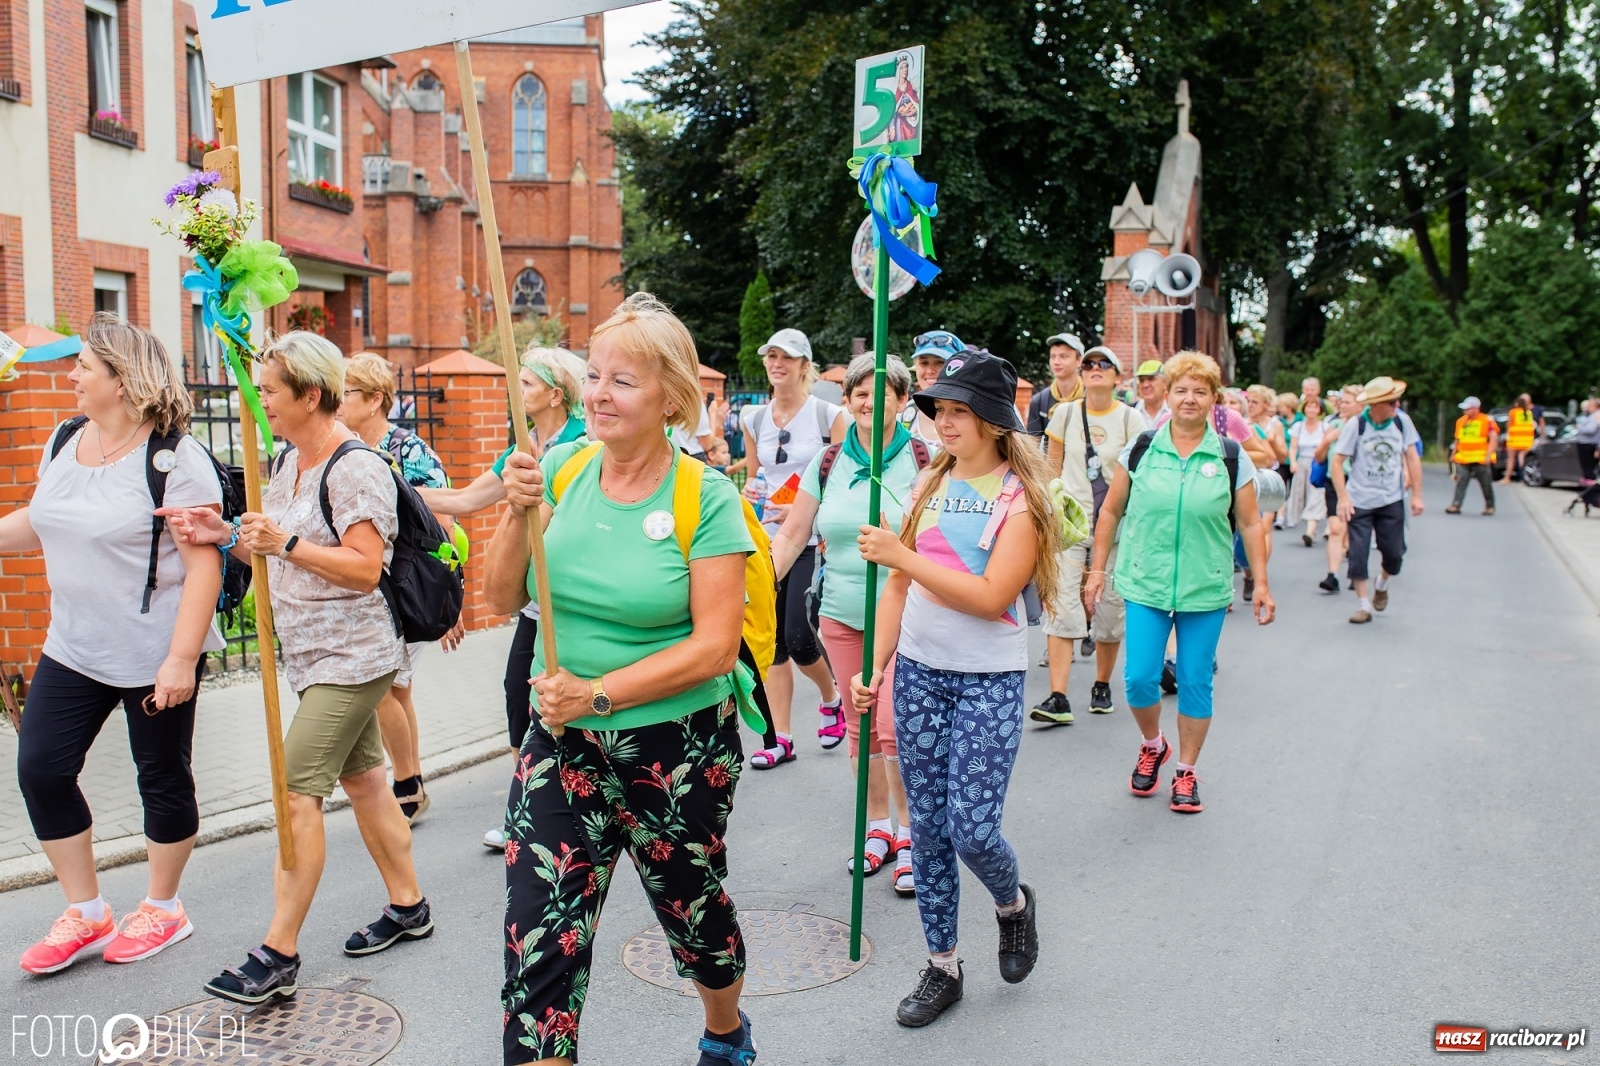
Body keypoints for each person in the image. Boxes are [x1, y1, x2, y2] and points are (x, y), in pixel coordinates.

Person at [485, 293, 758, 1066]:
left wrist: (598, 693)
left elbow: (715, 648)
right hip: (562, 743)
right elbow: (501, 597)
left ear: (670, 399)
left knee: (695, 920)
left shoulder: (705, 496)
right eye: (595, 375)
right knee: (538, 950)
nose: (597, 394)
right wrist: (513, 511)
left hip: (677, 749)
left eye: (622, 381)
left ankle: (725, 1029)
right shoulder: (562, 469)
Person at [162, 332, 433, 1005]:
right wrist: (225, 533)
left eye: (270, 392)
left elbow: (364, 568)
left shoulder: (355, 466)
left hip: (355, 657)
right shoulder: (288, 461)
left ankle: (278, 951)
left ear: (311, 395)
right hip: (313, 657)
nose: (261, 404)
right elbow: (273, 543)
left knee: (296, 794)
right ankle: (409, 905)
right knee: (366, 782)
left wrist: (281, 541)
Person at [0, 316, 223, 973]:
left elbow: (204, 567)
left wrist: (181, 659)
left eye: (84, 367)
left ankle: (163, 907)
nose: (71, 375)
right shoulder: (66, 438)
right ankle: (87, 911)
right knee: (41, 769)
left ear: (121, 381)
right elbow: (45, 521)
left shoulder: (175, 460)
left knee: (161, 776)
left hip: (153, 652)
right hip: (73, 646)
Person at [852, 348, 1057, 1027]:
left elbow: (992, 596)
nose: (944, 421)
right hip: (918, 674)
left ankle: (1013, 905)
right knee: (930, 831)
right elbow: (896, 589)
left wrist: (901, 555)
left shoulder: (1020, 501)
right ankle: (943, 966)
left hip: (987, 681)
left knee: (972, 830)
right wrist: (874, 666)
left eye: (959, 410)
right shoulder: (926, 484)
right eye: (938, 408)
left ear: (994, 421)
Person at [1085, 351, 1275, 816]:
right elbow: (1110, 511)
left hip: (1204, 587)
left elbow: (1251, 523)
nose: (1190, 399)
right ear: (1168, 395)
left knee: (1194, 680)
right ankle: (1153, 744)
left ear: (1214, 399)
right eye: (1182, 390)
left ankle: (1186, 771)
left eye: (1200, 391)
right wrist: (1097, 570)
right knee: (1139, 679)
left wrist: (1261, 584)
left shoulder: (1230, 456)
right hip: (1145, 581)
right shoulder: (1142, 449)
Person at [416, 347, 587, 850]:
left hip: (571, 601)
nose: (518, 390)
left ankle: (578, 807)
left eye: (528, 383)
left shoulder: (583, 443)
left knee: (567, 705)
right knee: (519, 696)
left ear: (556, 394)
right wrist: (395, 488)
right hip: (533, 603)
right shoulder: (523, 447)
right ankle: (528, 810)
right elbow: (467, 499)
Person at [771, 353, 924, 896]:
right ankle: (877, 827)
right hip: (840, 614)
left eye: (882, 393)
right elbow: (794, 533)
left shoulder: (926, 459)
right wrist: (760, 583)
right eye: (860, 393)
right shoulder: (828, 461)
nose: (870, 402)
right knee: (862, 729)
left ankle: (912, 836)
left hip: (905, 620)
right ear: (848, 400)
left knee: (894, 725)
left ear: (902, 401)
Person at [338, 352, 457, 826]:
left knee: (385, 685)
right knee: (398, 689)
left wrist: (449, 601)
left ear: (373, 400)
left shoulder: (409, 450)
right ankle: (412, 782)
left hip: (406, 587)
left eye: (346, 393)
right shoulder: (345, 447)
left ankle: (406, 784)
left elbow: (443, 523)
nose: (337, 401)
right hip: (368, 587)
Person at [740, 328, 847, 768]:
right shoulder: (753, 419)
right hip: (767, 540)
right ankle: (779, 737)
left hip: (811, 538)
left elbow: (841, 484)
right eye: (771, 356)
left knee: (800, 637)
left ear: (805, 365)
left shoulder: (828, 415)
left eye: (786, 357)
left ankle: (831, 696)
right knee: (772, 643)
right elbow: (755, 478)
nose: (776, 364)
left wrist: (803, 511)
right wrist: (750, 495)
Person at [1034, 346, 1148, 723]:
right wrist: (1047, 512)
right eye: (1089, 364)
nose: (1095, 369)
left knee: (1110, 608)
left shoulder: (1131, 418)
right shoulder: (1065, 413)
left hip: (1114, 527)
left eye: (1104, 364)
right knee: (1062, 603)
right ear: (1082, 375)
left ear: (1117, 376)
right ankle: (1058, 696)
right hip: (1070, 523)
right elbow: (1051, 468)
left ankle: (1101, 684)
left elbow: (1139, 473)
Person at [1331, 376, 1424, 624]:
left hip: (1391, 499)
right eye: (1391, 402)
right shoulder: (1357, 425)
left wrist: (1417, 495)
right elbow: (1337, 461)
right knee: (1358, 554)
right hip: (1360, 499)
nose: (1396, 406)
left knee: (1394, 555)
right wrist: (1343, 498)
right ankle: (1363, 605)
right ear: (1375, 405)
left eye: (1396, 401)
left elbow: (1413, 457)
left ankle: (1382, 583)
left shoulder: (1402, 422)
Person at [1314, 386, 1364, 592]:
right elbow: (1319, 458)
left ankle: (1356, 569)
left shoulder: (1364, 428)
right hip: (1334, 481)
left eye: (1347, 402)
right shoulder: (1333, 425)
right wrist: (1327, 440)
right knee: (1336, 529)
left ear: (1361, 405)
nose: (1342, 405)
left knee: (1355, 529)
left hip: (1358, 483)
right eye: (1341, 401)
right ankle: (1332, 575)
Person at [901, 330, 965, 449]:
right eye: (924, 363)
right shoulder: (904, 413)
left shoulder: (974, 414)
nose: (930, 371)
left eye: (940, 362)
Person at [1284, 397, 1330, 545]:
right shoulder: (1298, 427)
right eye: (1309, 407)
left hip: (1318, 463)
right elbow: (1293, 447)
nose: (1311, 410)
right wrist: (1293, 462)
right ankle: (1308, 526)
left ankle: (1310, 531)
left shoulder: (1325, 427)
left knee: (1316, 495)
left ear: (1320, 410)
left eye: (1315, 407)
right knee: (1299, 494)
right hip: (1302, 461)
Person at [1025, 332, 1085, 437]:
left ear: (1079, 360)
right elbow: (1033, 443)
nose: (1056, 362)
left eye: (1064, 356)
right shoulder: (1040, 401)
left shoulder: (1090, 396)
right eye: (1053, 356)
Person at [1446, 396, 1498, 516]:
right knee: (1461, 481)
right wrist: (1453, 455)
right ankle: (1456, 505)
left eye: (1467, 409)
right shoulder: (1461, 421)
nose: (1465, 411)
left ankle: (1490, 506)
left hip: (1480, 459)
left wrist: (1488, 455)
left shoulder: (1486, 420)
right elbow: (1457, 439)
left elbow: (1493, 439)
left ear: (1476, 409)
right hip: (1463, 458)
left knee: (1486, 483)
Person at [1501, 393, 1544, 483]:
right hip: (1527, 441)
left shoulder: (1513, 412)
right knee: (1522, 459)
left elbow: (1508, 425)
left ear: (1517, 403)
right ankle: (1523, 478)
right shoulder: (1529, 413)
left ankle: (1507, 478)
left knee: (1511, 459)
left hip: (1514, 440)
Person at [1574, 398, 1600, 482]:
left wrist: (1579, 428)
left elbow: (1591, 430)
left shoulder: (1597, 415)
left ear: (1596, 406)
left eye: (1590, 405)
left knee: (1589, 468)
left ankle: (1591, 486)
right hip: (1588, 444)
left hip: (1589, 445)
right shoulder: (1591, 415)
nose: (1588, 407)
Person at [1136, 359, 1168, 424]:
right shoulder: (1128, 413)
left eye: (1151, 379)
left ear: (1165, 383)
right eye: (1141, 380)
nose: (1145, 385)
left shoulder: (1175, 412)